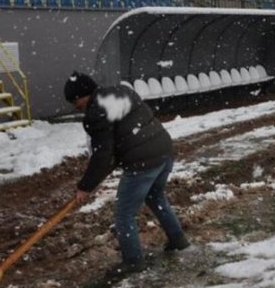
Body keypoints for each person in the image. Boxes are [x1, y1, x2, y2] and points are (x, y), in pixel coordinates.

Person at [64, 72, 189, 278]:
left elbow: (103, 154)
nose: (77, 107)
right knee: (156, 197)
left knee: (124, 214)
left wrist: (85, 186)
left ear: (83, 95)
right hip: (163, 151)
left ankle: (133, 261)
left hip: (143, 163)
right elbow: (121, 135)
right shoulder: (121, 91)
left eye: (76, 102)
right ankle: (178, 240)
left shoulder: (97, 111)